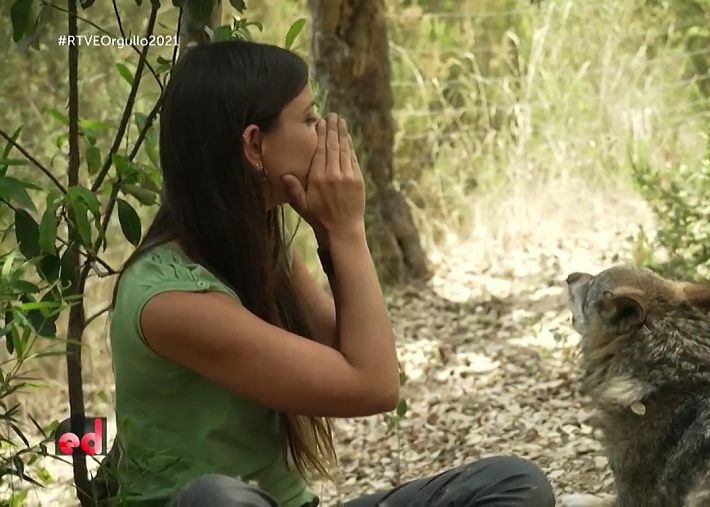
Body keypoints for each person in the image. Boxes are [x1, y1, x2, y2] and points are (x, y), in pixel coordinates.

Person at [107, 39, 555, 507]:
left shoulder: (259, 249)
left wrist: (334, 234)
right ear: (255, 145)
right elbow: (372, 386)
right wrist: (347, 230)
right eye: (308, 119)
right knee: (215, 498)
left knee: (514, 482)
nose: (323, 134)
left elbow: (364, 359)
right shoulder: (170, 302)